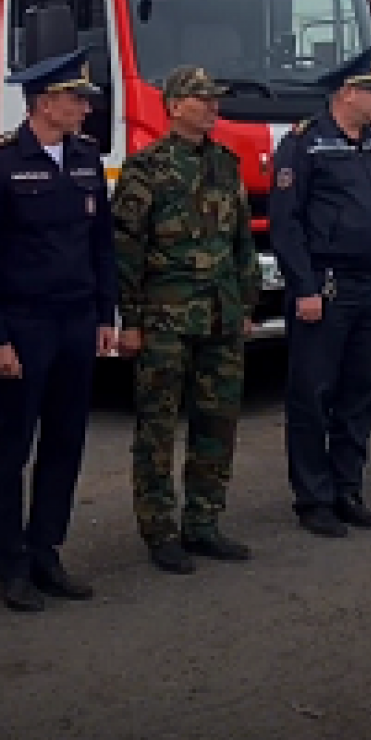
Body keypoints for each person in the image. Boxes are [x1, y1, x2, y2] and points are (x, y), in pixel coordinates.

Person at [0, 48, 117, 612]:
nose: (85, 107)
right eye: (77, 98)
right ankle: (10, 565)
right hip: (24, 325)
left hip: (77, 321)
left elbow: (101, 243)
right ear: (46, 102)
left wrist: (106, 315)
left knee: (66, 440)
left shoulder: (85, 158)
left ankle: (46, 551)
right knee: (14, 446)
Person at [112, 66, 260, 572]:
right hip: (166, 319)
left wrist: (246, 303)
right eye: (203, 98)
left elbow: (242, 242)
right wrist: (130, 321)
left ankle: (204, 522)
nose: (213, 106)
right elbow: (126, 251)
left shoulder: (226, 163)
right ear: (174, 106)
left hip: (220, 316)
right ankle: (159, 529)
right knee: (157, 426)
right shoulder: (145, 169)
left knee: (217, 422)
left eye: (215, 97)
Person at [270, 47, 371, 538]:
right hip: (324, 289)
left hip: (368, 285)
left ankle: (348, 488)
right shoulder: (305, 144)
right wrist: (303, 287)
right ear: (348, 93)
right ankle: (314, 498)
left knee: (360, 392)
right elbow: (286, 225)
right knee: (313, 394)